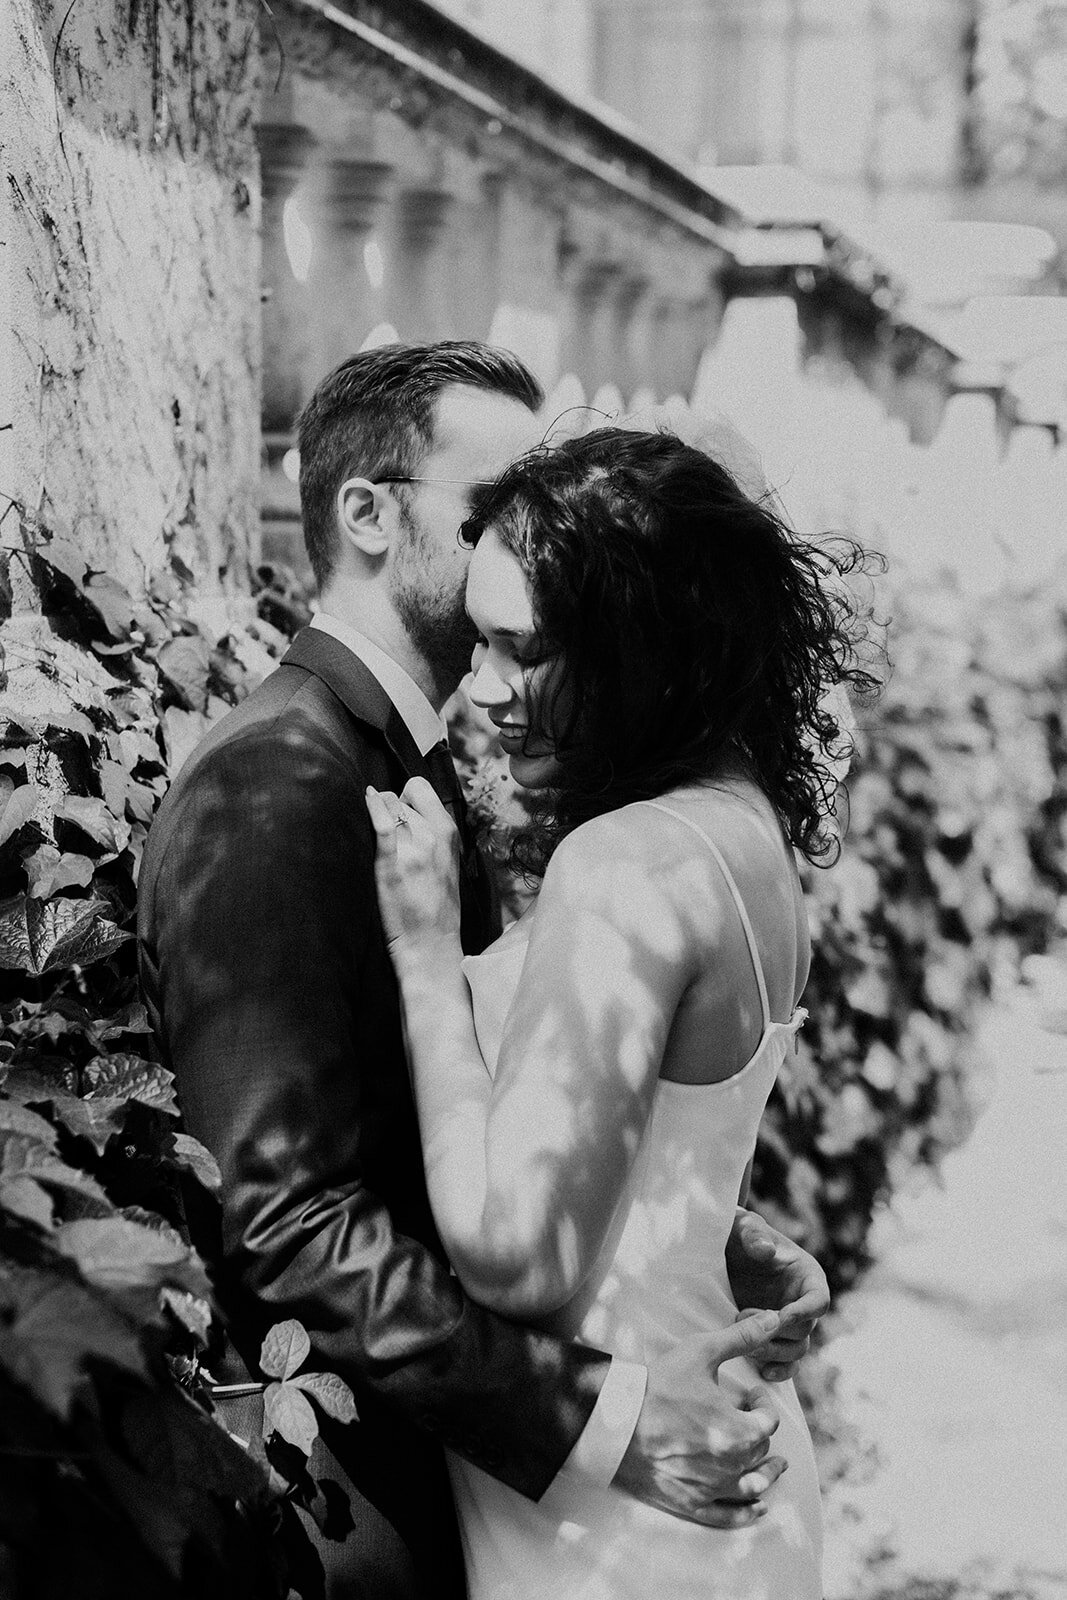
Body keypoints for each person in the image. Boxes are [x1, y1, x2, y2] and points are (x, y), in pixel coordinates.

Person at [137, 343, 830, 1599]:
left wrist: (692, 1220)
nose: (533, 516)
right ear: (367, 515)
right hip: (411, 1489)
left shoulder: (448, 765)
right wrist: (605, 1419)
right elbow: (290, 1221)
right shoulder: (275, 783)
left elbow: (486, 1109)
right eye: (489, 499)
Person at [366, 424, 878, 1598]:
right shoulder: (734, 816)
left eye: (517, 650)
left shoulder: (628, 862)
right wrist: (724, 1232)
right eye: (473, 641)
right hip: (706, 1444)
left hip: (628, 1498)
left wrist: (425, 956)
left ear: (636, 648)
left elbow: (516, 1255)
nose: (478, 688)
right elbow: (662, 1131)